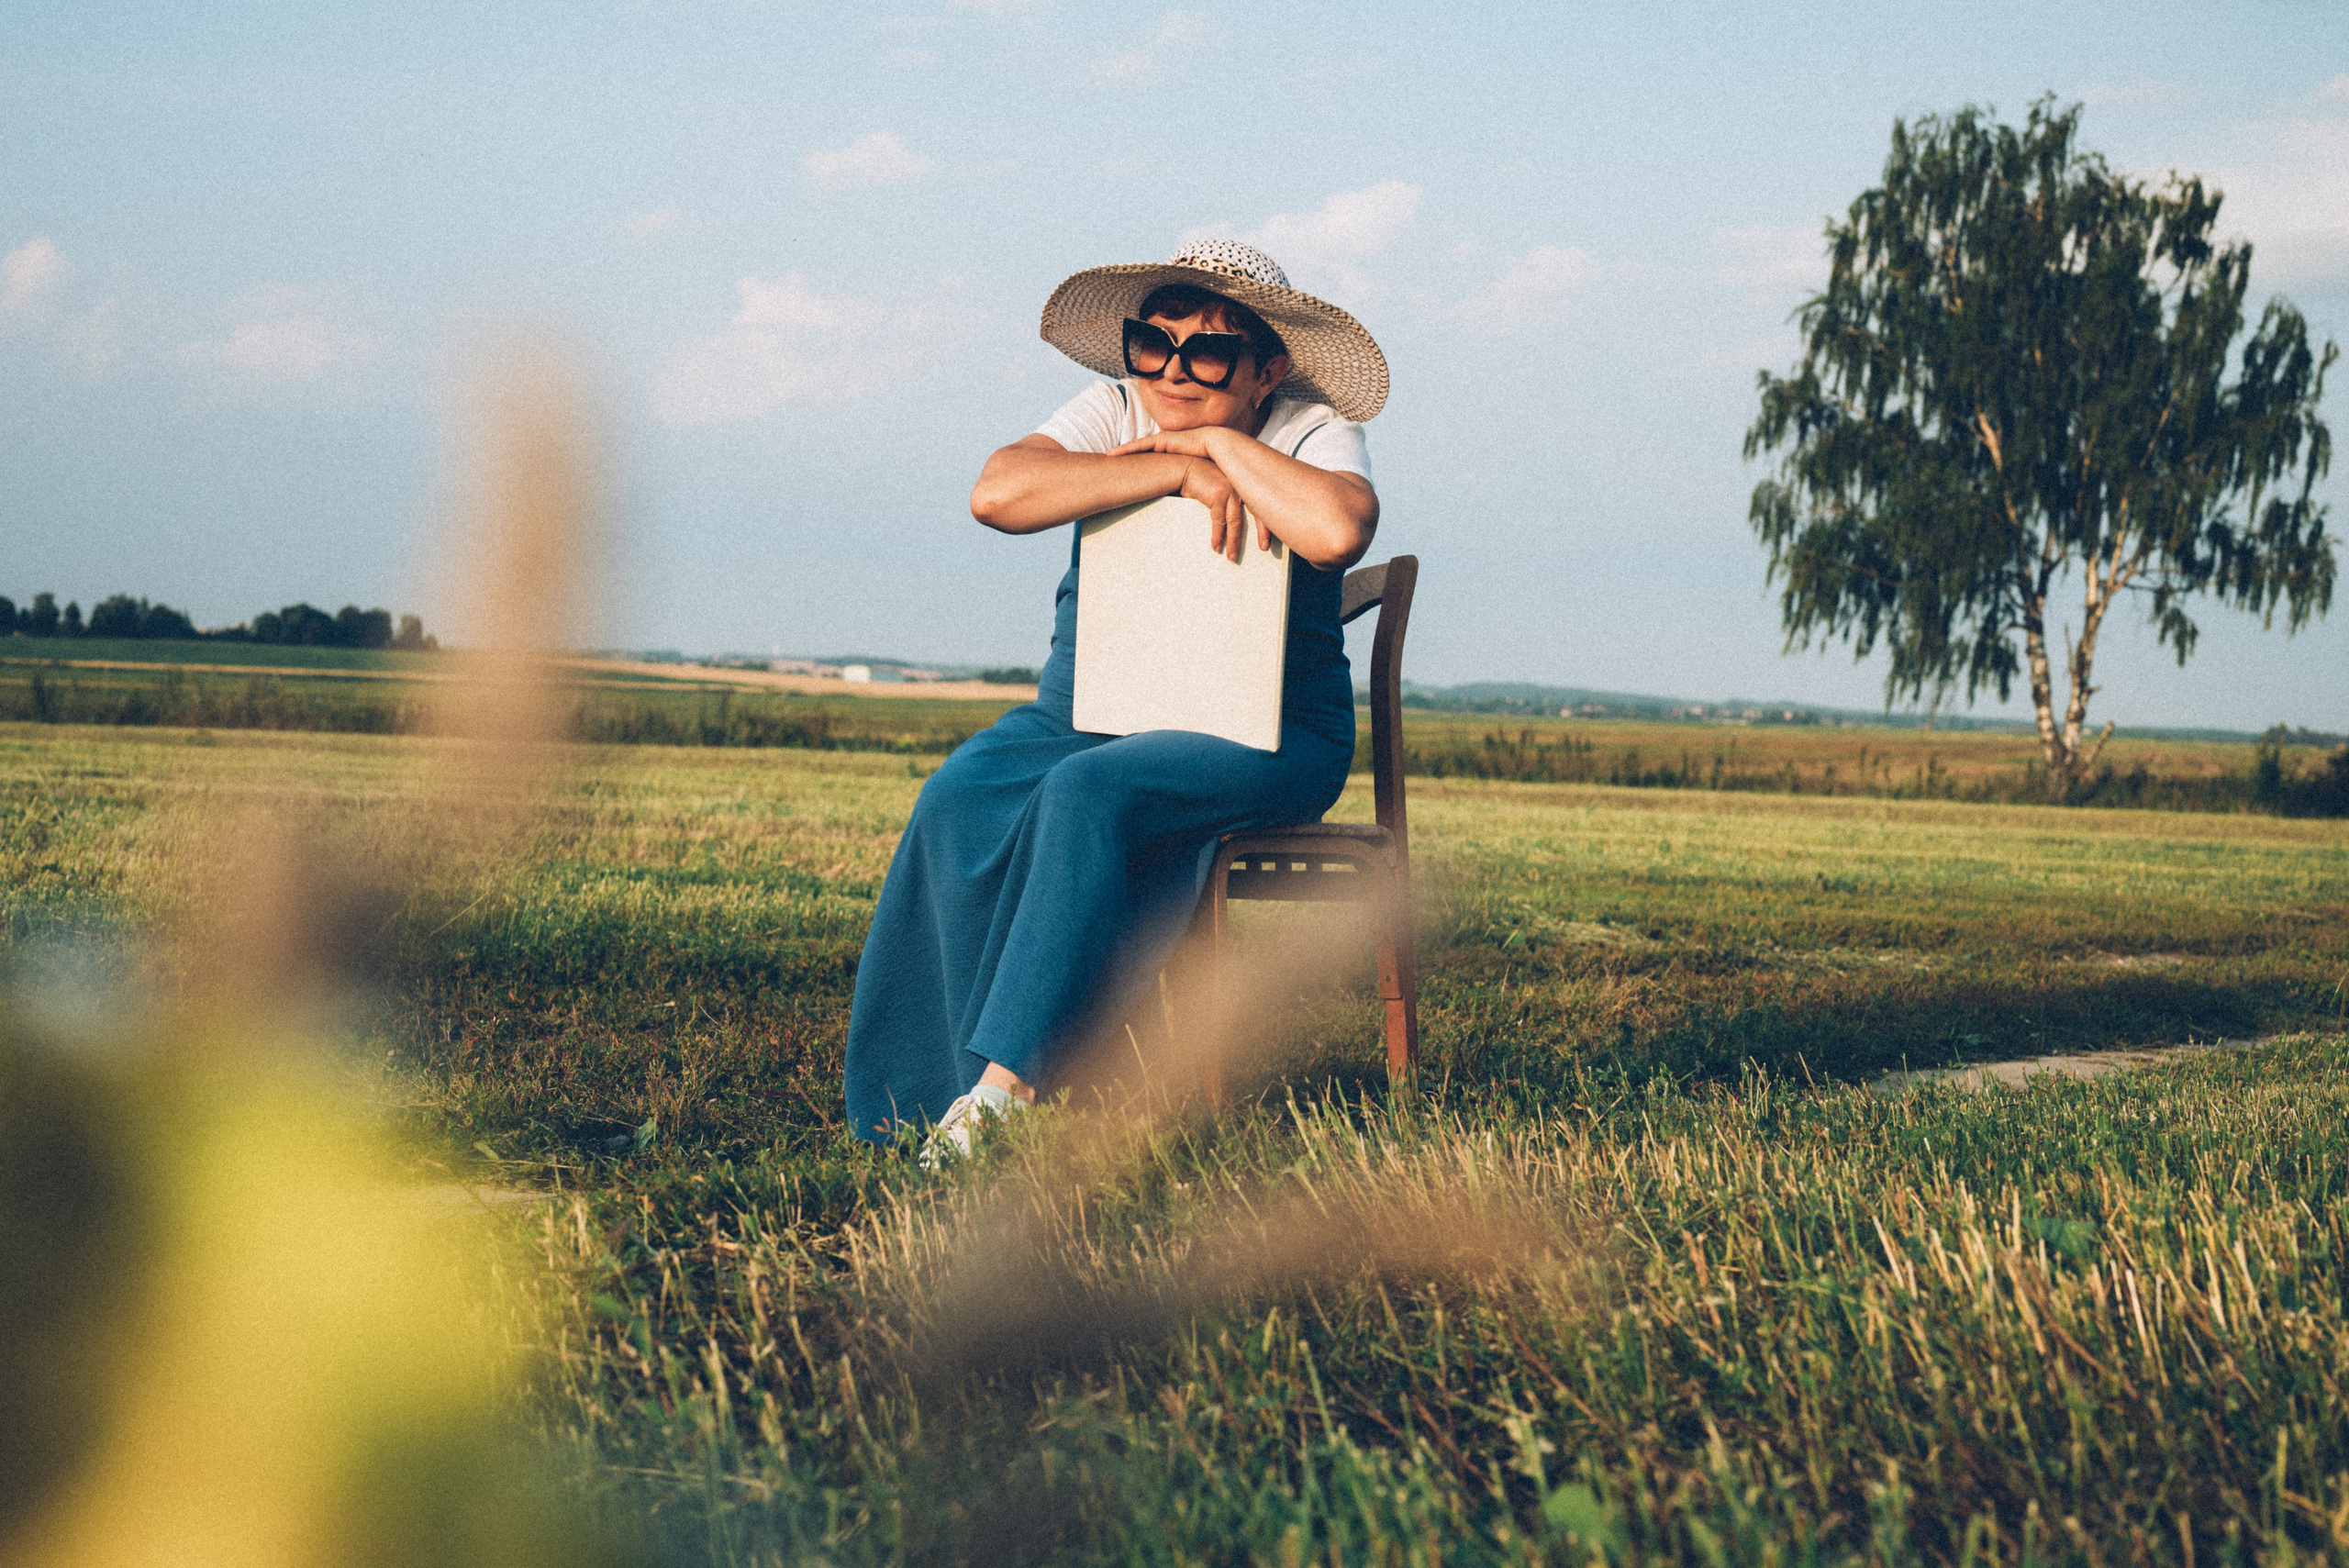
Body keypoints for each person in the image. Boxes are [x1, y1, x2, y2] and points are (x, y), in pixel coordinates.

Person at [842, 238, 1390, 1162]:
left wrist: (1214, 443)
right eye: (1154, 343)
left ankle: (1005, 1093)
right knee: (958, 790)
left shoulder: (1309, 427)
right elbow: (999, 492)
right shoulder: (1111, 406)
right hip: (1091, 706)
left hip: (1264, 728)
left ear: (1268, 369)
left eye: (1208, 352)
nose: (1173, 372)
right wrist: (1172, 469)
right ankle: (910, 1099)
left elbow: (1336, 528)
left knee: (1088, 792)